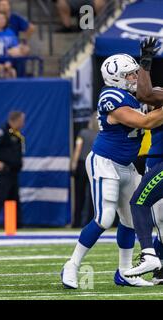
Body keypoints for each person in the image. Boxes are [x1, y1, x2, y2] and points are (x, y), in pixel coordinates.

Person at [61, 53, 163, 289]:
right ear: (115, 78)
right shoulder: (111, 96)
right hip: (104, 162)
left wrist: (145, 68)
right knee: (105, 217)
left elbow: (148, 95)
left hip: (126, 165)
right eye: (130, 74)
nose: (135, 77)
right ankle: (72, 265)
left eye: (136, 72)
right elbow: (145, 123)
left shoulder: (132, 95)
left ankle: (125, 272)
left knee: (130, 220)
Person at [121, 37, 163, 281]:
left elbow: (145, 93)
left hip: (160, 162)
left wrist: (145, 63)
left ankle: (149, 255)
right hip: (154, 159)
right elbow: (146, 94)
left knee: (140, 203)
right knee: (160, 219)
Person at [71, 112, 98, 228]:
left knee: (79, 195)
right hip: (95, 165)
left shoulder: (83, 133)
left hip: (82, 165)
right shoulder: (101, 134)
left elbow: (78, 149)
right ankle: (91, 221)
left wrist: (73, 165)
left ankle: (76, 222)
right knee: (93, 196)